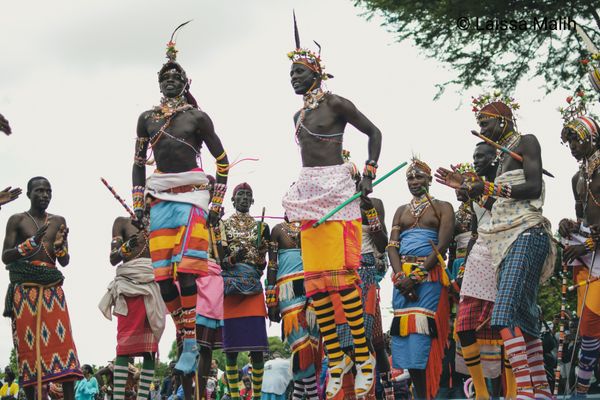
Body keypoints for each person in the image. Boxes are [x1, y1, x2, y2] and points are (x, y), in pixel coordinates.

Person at [281, 15, 382, 399]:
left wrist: (369, 172)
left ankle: (363, 353)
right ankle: (337, 358)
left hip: (338, 190)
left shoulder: (336, 103)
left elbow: (375, 132)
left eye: (299, 71)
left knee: (341, 278)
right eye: (290, 73)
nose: (293, 78)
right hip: (308, 195)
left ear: (316, 73)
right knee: (317, 285)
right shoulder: (298, 115)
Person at [436, 93, 556, 399]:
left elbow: (532, 186)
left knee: (503, 316)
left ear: (503, 120)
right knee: (526, 321)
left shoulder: (526, 142)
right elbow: (496, 203)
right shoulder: (501, 157)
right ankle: (541, 390)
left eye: (485, 122)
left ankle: (525, 391)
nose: (482, 129)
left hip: (527, 233)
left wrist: (487, 185)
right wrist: (467, 187)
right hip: (504, 241)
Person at [131, 24, 229, 375]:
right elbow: (139, 164)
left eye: (176, 76)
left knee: (187, 274)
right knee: (161, 279)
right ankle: (185, 333)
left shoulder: (197, 118)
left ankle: (189, 345)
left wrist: (216, 204)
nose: (170, 79)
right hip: (160, 201)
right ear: (159, 84)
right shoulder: (147, 119)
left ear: (185, 83)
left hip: (192, 199)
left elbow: (222, 160)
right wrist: (140, 203)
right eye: (165, 76)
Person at [2, 177, 82, 400]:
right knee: (28, 351)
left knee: (64, 346)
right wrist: (31, 243)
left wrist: (60, 249)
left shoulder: (58, 221)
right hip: (25, 292)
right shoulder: (17, 220)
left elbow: (64, 262)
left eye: (48, 191)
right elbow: (5, 256)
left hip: (52, 291)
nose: (45, 195)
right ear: (29, 194)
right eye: (39, 191)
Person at [387, 159, 454, 399]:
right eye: (410, 178)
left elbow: (443, 244)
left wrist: (416, 277)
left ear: (429, 180)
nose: (415, 182)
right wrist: (401, 277)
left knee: (424, 336)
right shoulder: (400, 211)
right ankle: (420, 395)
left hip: (429, 277)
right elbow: (392, 246)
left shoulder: (443, 207)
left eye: (419, 178)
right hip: (401, 280)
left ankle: (431, 394)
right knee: (406, 339)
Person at [451, 148, 505, 400]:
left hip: (504, 251)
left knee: (505, 326)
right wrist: (462, 271)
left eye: (480, 157)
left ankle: (512, 393)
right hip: (478, 258)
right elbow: (474, 232)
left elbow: (505, 210)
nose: (476, 161)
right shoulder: (475, 190)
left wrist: (478, 191)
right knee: (464, 326)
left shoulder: (503, 180)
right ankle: (481, 394)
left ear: (494, 158)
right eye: (473, 158)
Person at [98, 206, 166, 400]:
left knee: (150, 351)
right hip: (128, 288)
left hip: (153, 288)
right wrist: (126, 247)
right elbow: (113, 258)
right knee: (124, 346)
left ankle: (143, 397)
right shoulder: (121, 222)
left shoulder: (161, 226)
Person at [557, 92, 600, 397]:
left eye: (577, 139)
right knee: (587, 326)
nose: (572, 146)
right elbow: (581, 217)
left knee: (591, 322)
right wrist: (569, 226)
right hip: (588, 254)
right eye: (569, 141)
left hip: (592, 249)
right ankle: (582, 389)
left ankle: (583, 387)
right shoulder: (577, 177)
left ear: (593, 138)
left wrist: (587, 243)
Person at [221, 183, 269, 400]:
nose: (244, 198)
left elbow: (262, 264)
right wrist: (233, 258)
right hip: (229, 289)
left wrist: (260, 259)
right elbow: (218, 260)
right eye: (240, 195)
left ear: (252, 200)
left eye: (248, 195)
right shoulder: (222, 226)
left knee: (257, 347)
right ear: (233, 200)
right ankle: (233, 395)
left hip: (253, 287)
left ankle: (256, 396)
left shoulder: (262, 227)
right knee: (230, 349)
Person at [266, 219, 319, 400]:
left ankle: (298, 395)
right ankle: (313, 396)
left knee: (313, 344)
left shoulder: (314, 224)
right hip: (288, 290)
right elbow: (272, 264)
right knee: (300, 344)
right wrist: (271, 300)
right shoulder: (278, 229)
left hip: (313, 287)